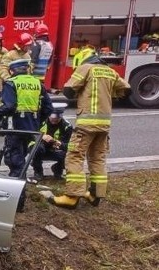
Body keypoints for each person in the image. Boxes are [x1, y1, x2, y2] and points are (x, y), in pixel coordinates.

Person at [48, 55, 130, 209]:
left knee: (74, 156)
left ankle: (72, 196)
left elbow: (68, 90)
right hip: (104, 124)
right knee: (97, 158)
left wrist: (81, 93)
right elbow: (127, 91)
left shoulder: (86, 68)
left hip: (86, 123)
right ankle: (94, 194)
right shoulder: (110, 71)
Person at [0, 58, 52, 178]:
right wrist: (37, 120)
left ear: (11, 71)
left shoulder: (11, 83)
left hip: (15, 126)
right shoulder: (37, 83)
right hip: (32, 126)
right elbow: (48, 108)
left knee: (15, 157)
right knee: (24, 153)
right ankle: (23, 179)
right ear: (27, 69)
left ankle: (17, 186)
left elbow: (9, 106)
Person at [31, 109, 72, 179]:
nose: (54, 120)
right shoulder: (41, 121)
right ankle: (38, 171)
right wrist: (42, 136)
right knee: (38, 149)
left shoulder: (67, 126)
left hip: (55, 149)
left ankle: (58, 169)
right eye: (52, 118)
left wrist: (58, 143)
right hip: (40, 146)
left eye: (57, 119)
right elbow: (30, 134)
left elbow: (69, 145)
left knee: (71, 155)